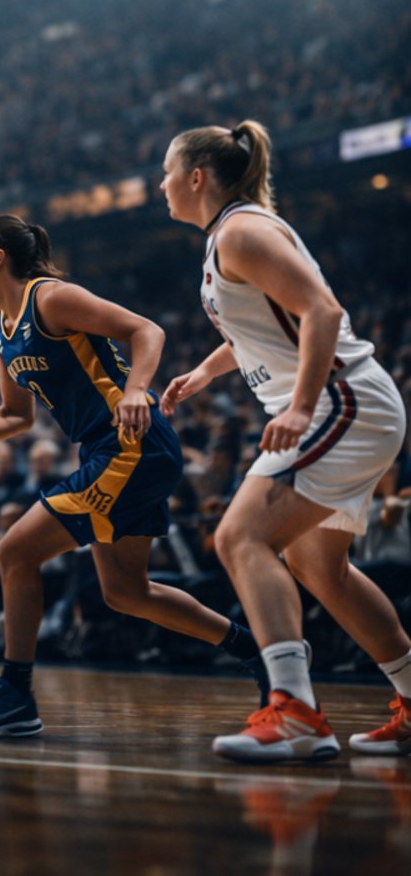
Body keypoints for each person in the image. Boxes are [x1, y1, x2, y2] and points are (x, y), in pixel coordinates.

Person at [0, 216, 263, 738]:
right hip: (107, 450)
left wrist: (135, 389)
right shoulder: (0, 329)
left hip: (133, 444)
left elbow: (147, 330)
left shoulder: (50, 298)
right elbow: (17, 416)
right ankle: (257, 651)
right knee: (127, 591)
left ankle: (14, 697)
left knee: (15, 550)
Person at [160, 121, 411, 761]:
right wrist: (204, 372)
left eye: (167, 172)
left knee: (239, 536)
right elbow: (257, 327)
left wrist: (301, 407)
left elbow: (321, 311)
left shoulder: (243, 230)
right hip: (351, 405)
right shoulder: (232, 234)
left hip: (340, 401)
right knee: (317, 566)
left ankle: (295, 711)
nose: (159, 185)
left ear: (197, 177)